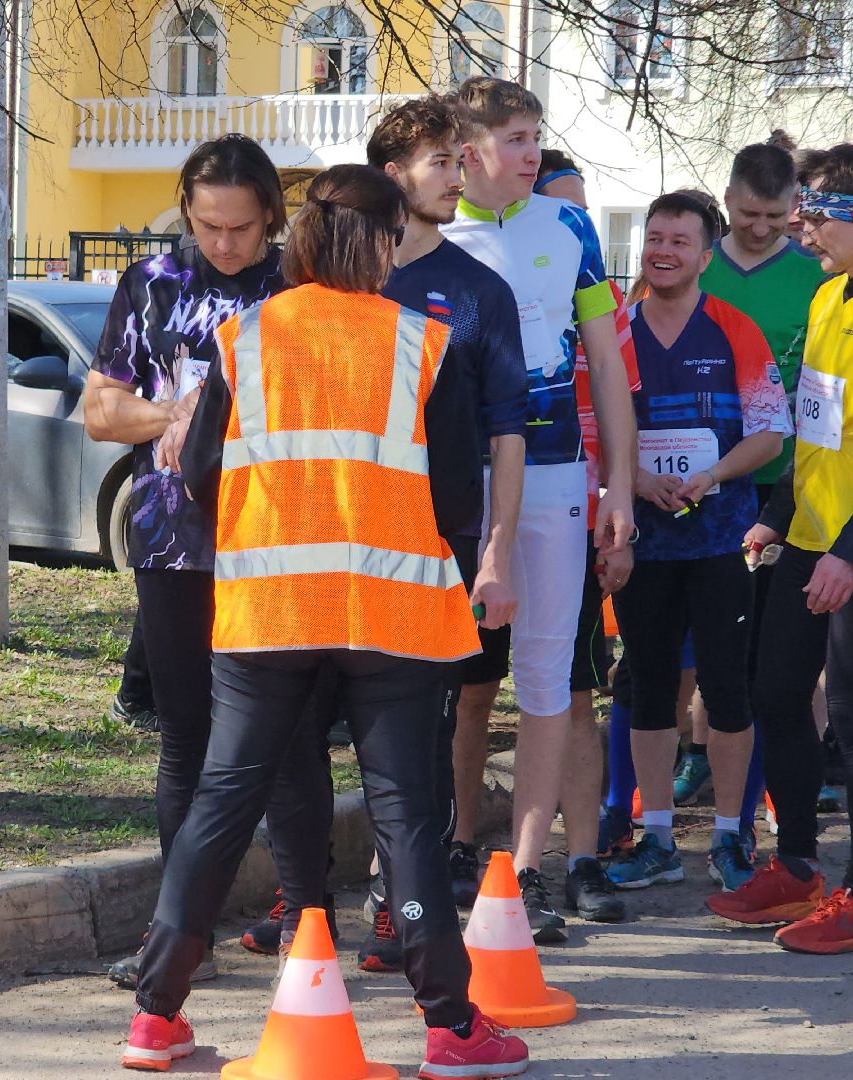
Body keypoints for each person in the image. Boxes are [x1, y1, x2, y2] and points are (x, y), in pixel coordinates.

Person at [120, 163, 530, 1079]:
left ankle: (154, 1016)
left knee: (222, 802)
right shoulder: (423, 343)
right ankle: (450, 1027)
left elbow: (197, 474)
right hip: (391, 609)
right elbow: (458, 490)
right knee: (408, 815)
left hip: (269, 608)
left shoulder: (247, 335)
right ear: (382, 243)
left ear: (301, 236)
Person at [709, 146, 853, 953]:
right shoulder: (832, 293)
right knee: (773, 692)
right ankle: (797, 867)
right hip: (809, 529)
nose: (802, 233)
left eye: (813, 217)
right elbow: (814, 421)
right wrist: (776, 511)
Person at [85, 134, 290, 989]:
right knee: (185, 738)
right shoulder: (152, 284)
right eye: (208, 224)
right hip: (174, 543)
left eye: (242, 228)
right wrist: (175, 414)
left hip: (281, 545)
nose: (224, 243)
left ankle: (302, 921)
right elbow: (101, 409)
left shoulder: (297, 288)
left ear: (271, 220)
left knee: (287, 740)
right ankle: (182, 936)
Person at [441, 76, 638, 943]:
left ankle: (524, 874)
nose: (534, 154)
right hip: (453, 479)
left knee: (552, 681)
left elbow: (609, 367)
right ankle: (446, 850)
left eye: (536, 137)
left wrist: (619, 486)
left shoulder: (570, 229)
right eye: (517, 138)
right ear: (470, 147)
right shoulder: (426, 231)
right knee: (450, 676)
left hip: (556, 474)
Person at [335, 95, 529, 973]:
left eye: (462, 159)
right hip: (332, 545)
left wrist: (497, 550)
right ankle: (297, 899)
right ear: (392, 176)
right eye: (443, 161)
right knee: (312, 726)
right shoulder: (342, 280)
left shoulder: (480, 289)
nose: (460, 174)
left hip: (437, 546)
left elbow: (508, 434)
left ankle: (391, 901)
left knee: (417, 732)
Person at [604, 192, 790, 895]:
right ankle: (653, 836)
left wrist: (711, 474)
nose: (663, 251)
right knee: (649, 689)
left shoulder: (735, 329)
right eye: (655, 237)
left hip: (720, 543)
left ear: (707, 255)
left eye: (680, 241)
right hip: (643, 542)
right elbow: (593, 431)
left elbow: (771, 432)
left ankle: (728, 835)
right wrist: (637, 478)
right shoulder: (615, 330)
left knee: (726, 689)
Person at [696, 141, 827, 848]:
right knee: (715, 658)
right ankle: (718, 797)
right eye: (749, 213)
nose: (760, 227)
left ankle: (790, 797)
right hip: (698, 484)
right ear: (729, 198)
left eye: (777, 216)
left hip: (788, 486)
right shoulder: (693, 262)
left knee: (787, 659)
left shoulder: (814, 278)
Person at [532, 151, 638, 924]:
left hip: (571, 499)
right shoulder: (485, 261)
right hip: (491, 499)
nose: (577, 228)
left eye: (583, 211)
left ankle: (586, 858)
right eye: (561, 209)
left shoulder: (589, 276)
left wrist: (612, 497)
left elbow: (617, 393)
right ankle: (466, 849)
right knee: (468, 698)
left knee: (572, 694)